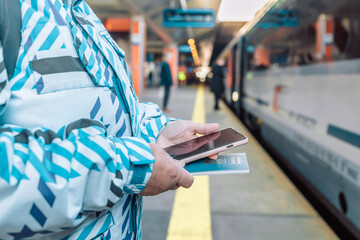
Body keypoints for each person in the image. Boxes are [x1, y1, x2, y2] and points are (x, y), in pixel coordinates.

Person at [0, 0, 219, 239]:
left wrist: (157, 132)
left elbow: (110, 110)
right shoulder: (10, 12)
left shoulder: (78, 12)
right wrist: (127, 166)